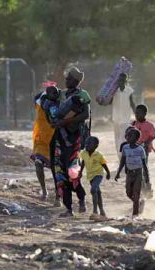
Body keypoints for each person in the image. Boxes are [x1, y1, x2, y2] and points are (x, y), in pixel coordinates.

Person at [53, 67, 91, 217]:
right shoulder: (61, 94)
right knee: (60, 172)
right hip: (60, 137)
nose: (66, 80)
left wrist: (66, 121)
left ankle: (81, 200)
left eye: (69, 79)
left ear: (75, 81)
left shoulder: (82, 95)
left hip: (75, 137)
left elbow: (85, 115)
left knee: (73, 171)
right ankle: (68, 208)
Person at [31, 85, 59, 202]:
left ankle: (58, 194)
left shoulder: (58, 104)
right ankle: (44, 191)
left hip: (55, 138)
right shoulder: (40, 102)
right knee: (38, 163)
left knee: (55, 168)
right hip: (41, 139)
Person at [115, 128, 149, 218]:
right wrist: (118, 173)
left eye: (131, 136)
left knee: (136, 193)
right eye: (127, 135)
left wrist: (147, 178)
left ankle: (135, 214)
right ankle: (138, 203)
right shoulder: (125, 148)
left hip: (138, 173)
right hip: (129, 174)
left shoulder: (140, 149)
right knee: (128, 193)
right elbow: (122, 161)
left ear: (137, 138)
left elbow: (144, 165)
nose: (128, 137)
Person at [79, 136, 111, 221]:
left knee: (93, 190)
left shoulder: (98, 155)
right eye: (86, 143)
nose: (87, 145)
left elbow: (104, 164)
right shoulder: (84, 153)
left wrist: (108, 173)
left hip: (98, 174)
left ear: (96, 146)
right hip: (90, 175)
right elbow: (83, 162)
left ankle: (95, 211)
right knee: (98, 192)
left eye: (89, 143)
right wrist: (80, 172)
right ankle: (102, 211)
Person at [131, 104, 155, 198]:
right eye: (136, 113)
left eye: (139, 113)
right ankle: (140, 188)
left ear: (145, 114)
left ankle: (148, 187)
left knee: (144, 168)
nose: (137, 115)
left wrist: (148, 141)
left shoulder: (149, 125)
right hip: (134, 149)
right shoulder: (134, 124)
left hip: (144, 150)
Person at [112, 73, 135, 159]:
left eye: (123, 80)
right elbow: (108, 101)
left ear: (126, 81)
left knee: (123, 138)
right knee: (117, 138)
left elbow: (132, 103)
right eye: (120, 80)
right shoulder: (114, 91)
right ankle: (119, 157)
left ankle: (123, 156)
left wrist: (137, 114)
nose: (121, 82)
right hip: (116, 118)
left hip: (125, 119)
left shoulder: (129, 90)